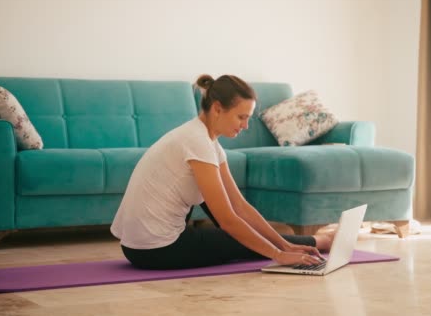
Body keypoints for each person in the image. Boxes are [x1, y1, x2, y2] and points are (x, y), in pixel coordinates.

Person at [110, 74, 334, 270]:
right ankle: (318, 241)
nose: (245, 126)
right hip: (155, 250)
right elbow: (228, 220)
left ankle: (304, 242)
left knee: (240, 226)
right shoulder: (197, 142)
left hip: (135, 247)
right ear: (217, 108)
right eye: (241, 117)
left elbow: (240, 207)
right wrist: (278, 255)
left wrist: (284, 245)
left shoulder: (204, 140)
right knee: (239, 239)